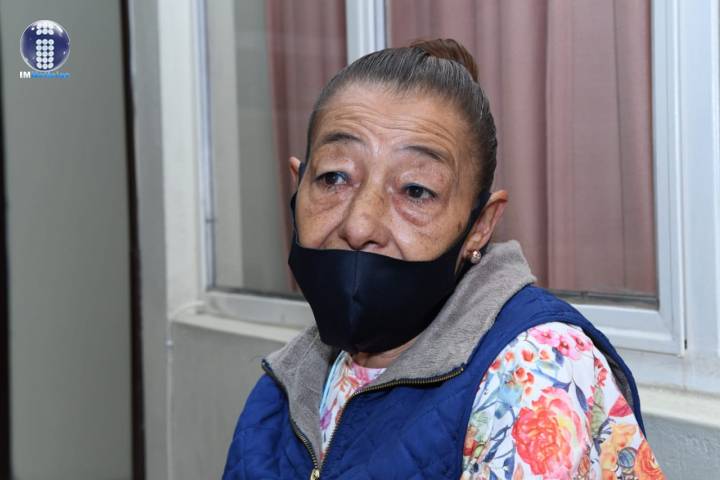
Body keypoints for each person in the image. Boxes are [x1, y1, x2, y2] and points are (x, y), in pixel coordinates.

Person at [222, 39, 664, 480]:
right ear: (298, 186)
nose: (359, 224)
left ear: (480, 226)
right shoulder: (283, 385)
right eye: (334, 177)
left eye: (415, 190)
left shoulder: (535, 368)